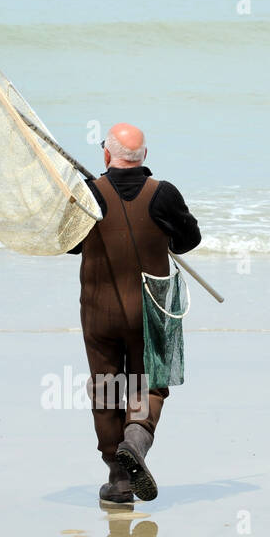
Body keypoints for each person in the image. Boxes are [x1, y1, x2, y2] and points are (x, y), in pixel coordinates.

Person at [69, 123, 201, 505]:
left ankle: (119, 480)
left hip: (99, 311)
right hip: (151, 308)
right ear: (144, 157)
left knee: (106, 387)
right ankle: (136, 440)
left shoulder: (89, 194)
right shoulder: (163, 194)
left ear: (107, 155)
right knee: (150, 383)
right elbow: (189, 240)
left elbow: (70, 246)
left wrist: (87, 200)